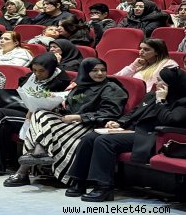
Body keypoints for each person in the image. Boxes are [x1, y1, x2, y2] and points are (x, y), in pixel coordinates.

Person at [67, 68, 186, 202]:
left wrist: (161, 101)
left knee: (104, 141)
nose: (156, 83)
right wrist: (119, 123)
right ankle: (79, 181)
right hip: (134, 130)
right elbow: (134, 112)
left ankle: (104, 187)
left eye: (160, 81)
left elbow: (171, 120)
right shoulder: (152, 95)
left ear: (171, 84)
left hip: (152, 136)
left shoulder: (182, 101)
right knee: (90, 137)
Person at [3, 59, 127, 188]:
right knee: (39, 113)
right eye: (94, 70)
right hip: (71, 121)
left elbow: (111, 113)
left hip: (92, 125)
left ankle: (23, 171)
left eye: (103, 70)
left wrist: (79, 117)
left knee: (45, 131)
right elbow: (70, 105)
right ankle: (38, 152)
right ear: (85, 72)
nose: (100, 73)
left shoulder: (111, 88)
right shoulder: (80, 86)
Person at [114, 38, 178, 92]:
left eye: (146, 49)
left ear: (157, 52)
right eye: (140, 48)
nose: (141, 51)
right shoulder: (141, 64)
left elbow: (152, 89)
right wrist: (133, 66)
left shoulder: (167, 65)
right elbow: (116, 79)